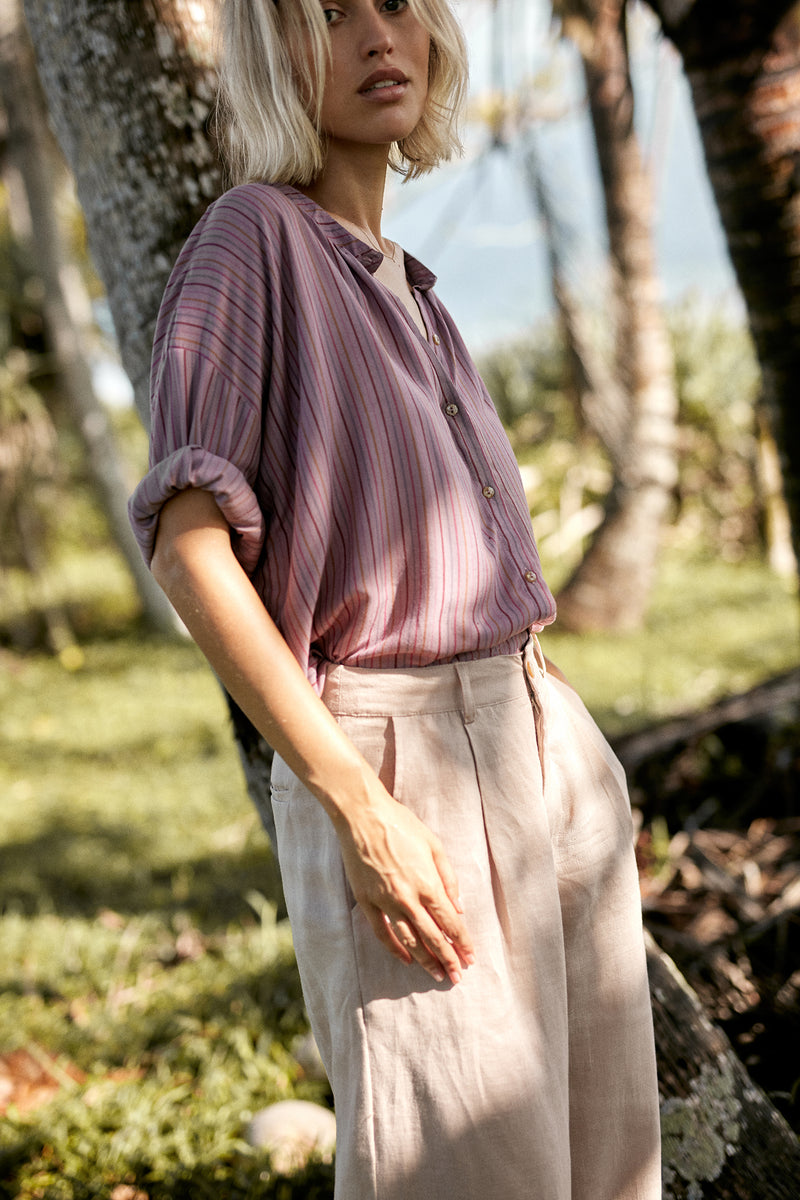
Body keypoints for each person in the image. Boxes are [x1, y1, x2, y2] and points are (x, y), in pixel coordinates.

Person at [129, 1, 662, 1196]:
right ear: (273, 53)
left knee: (603, 1171)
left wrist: (559, 735)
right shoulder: (248, 241)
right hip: (395, 759)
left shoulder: (413, 288)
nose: (379, 35)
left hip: (536, 743)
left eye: (397, 3)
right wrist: (356, 807)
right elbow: (189, 550)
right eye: (327, 13)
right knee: (464, 1174)